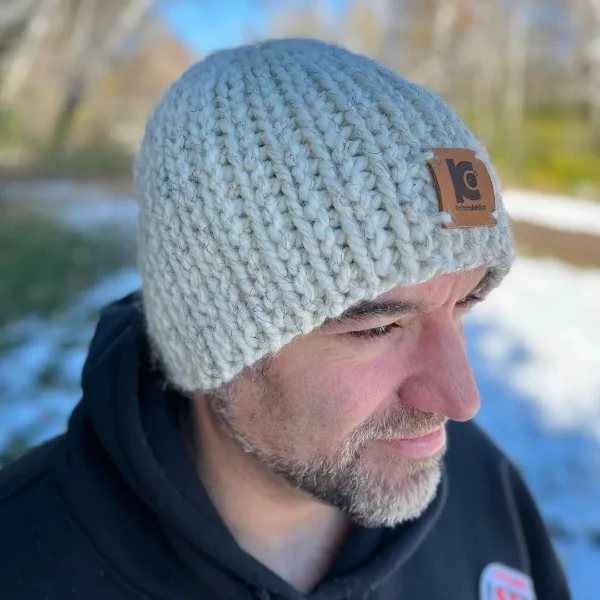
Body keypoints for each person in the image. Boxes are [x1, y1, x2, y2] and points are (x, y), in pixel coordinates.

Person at [0, 38, 570, 600]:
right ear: (213, 343)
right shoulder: (26, 559)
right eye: (378, 327)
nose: (461, 401)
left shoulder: (486, 489)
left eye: (463, 306)